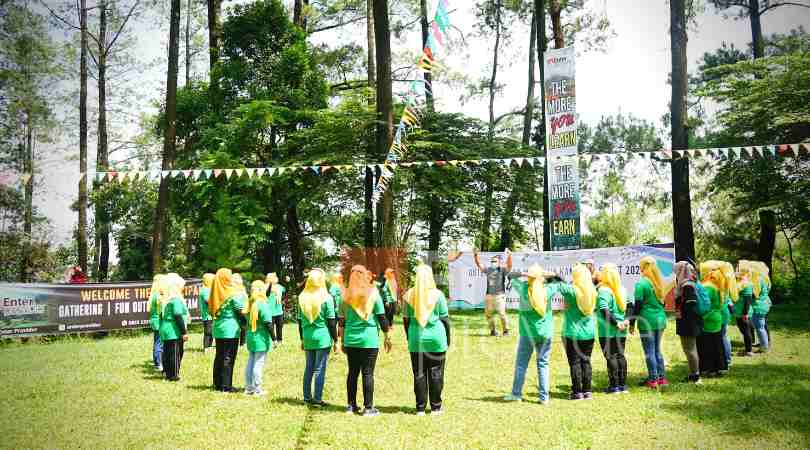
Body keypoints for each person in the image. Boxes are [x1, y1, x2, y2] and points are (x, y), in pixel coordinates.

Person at [338, 265, 392, 416]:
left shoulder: (345, 296)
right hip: (369, 340)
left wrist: (341, 341)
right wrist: (387, 337)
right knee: (368, 373)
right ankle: (368, 408)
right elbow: (382, 318)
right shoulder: (374, 294)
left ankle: (350, 406)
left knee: (352, 373)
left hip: (351, 340)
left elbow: (341, 322)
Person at [503, 264, 557, 404]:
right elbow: (558, 279)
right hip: (545, 333)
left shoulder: (523, 289)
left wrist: (525, 273)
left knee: (521, 364)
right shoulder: (548, 290)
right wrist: (544, 274)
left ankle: (516, 394)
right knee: (543, 364)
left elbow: (510, 275)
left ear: (529, 278)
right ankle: (544, 398)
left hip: (527, 334)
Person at [402, 264, 451, 415]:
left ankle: (420, 408)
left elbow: (406, 320)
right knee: (436, 373)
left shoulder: (408, 295)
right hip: (436, 339)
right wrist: (448, 338)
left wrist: (410, 336)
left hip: (416, 340)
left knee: (419, 373)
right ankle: (436, 407)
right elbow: (445, 320)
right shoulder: (438, 295)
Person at [298, 269, 338, 406]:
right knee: (320, 369)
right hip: (322, 337)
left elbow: (299, 322)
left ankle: (306, 397)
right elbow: (332, 322)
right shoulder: (327, 298)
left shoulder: (302, 297)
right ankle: (317, 399)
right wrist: (336, 340)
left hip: (307, 336)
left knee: (308, 367)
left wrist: (302, 339)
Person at [561, 264, 598, 400]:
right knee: (586, 361)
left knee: (575, 363)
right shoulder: (593, 291)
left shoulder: (571, 291)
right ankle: (587, 391)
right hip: (589, 333)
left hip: (573, 333)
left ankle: (577, 392)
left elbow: (558, 283)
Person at [630, 256, 669, 388]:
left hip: (647, 321)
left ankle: (653, 380)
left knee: (649, 351)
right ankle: (662, 378)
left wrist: (631, 324)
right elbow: (663, 303)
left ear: (643, 267)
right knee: (657, 350)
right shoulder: (659, 283)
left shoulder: (641, 284)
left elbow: (638, 306)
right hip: (660, 319)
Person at [209, 268, 246, 392]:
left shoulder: (215, 293)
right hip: (230, 329)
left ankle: (217, 383)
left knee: (219, 356)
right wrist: (245, 322)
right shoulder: (232, 294)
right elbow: (241, 310)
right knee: (228, 357)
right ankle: (226, 386)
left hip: (218, 328)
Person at [596, 264, 630, 394]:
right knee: (620, 355)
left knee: (611, 357)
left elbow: (604, 310)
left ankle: (614, 386)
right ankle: (623, 386)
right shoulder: (622, 289)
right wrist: (626, 320)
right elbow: (630, 306)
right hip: (622, 329)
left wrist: (616, 323)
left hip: (608, 330)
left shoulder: (604, 290)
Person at [697, 261, 731, 377]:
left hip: (708, 318)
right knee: (718, 344)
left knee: (708, 346)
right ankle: (721, 367)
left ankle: (709, 369)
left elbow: (703, 305)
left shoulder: (707, 287)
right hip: (717, 317)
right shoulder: (718, 284)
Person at [243, 280, 276, 396]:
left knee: (250, 362)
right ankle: (257, 389)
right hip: (261, 338)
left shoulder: (249, 302)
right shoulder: (262, 304)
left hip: (250, 336)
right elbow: (268, 323)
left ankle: (248, 388)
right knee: (258, 363)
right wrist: (275, 339)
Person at [674, 261, 702, 383]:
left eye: (677, 271)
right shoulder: (692, 281)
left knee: (690, 349)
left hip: (688, 321)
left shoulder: (687, 285)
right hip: (691, 320)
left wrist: (681, 310)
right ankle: (694, 373)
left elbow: (691, 302)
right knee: (691, 348)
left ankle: (695, 375)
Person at [473, 249, 512, 337]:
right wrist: (476, 255)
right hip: (489, 296)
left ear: (499, 262)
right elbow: (479, 264)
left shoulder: (502, 270)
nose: (493, 262)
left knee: (502, 314)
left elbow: (509, 266)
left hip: (500, 296)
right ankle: (493, 331)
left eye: (495, 261)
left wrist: (509, 255)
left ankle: (506, 331)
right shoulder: (488, 269)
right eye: (492, 261)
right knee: (488, 315)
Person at [159, 273, 189, 382]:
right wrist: (184, 332)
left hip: (166, 328)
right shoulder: (176, 299)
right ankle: (174, 375)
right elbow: (177, 315)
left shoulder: (167, 299)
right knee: (175, 353)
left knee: (167, 352)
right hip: (173, 330)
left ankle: (167, 373)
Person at [744, 261, 772, 353]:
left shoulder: (757, 280)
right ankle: (763, 344)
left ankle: (764, 347)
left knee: (760, 327)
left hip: (758, 306)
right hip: (763, 304)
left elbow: (755, 294)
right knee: (761, 326)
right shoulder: (763, 278)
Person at [146, 274, 164, 371]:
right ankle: (159, 363)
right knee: (159, 343)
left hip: (153, 320)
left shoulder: (153, 295)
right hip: (158, 321)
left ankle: (156, 361)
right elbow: (161, 311)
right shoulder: (158, 296)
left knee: (156, 341)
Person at [266, 273, 286, 346]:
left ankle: (280, 340)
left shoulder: (280, 287)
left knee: (279, 326)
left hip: (278, 310)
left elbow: (284, 290)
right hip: (270, 311)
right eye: (274, 277)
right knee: (270, 327)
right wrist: (270, 285)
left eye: (275, 277)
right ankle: (273, 341)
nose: (276, 278)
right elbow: (266, 293)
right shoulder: (266, 287)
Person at [200, 273, 215, 351]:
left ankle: (209, 347)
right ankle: (206, 348)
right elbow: (208, 301)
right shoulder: (205, 290)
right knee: (208, 332)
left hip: (210, 315)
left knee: (211, 332)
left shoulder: (208, 289)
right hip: (207, 315)